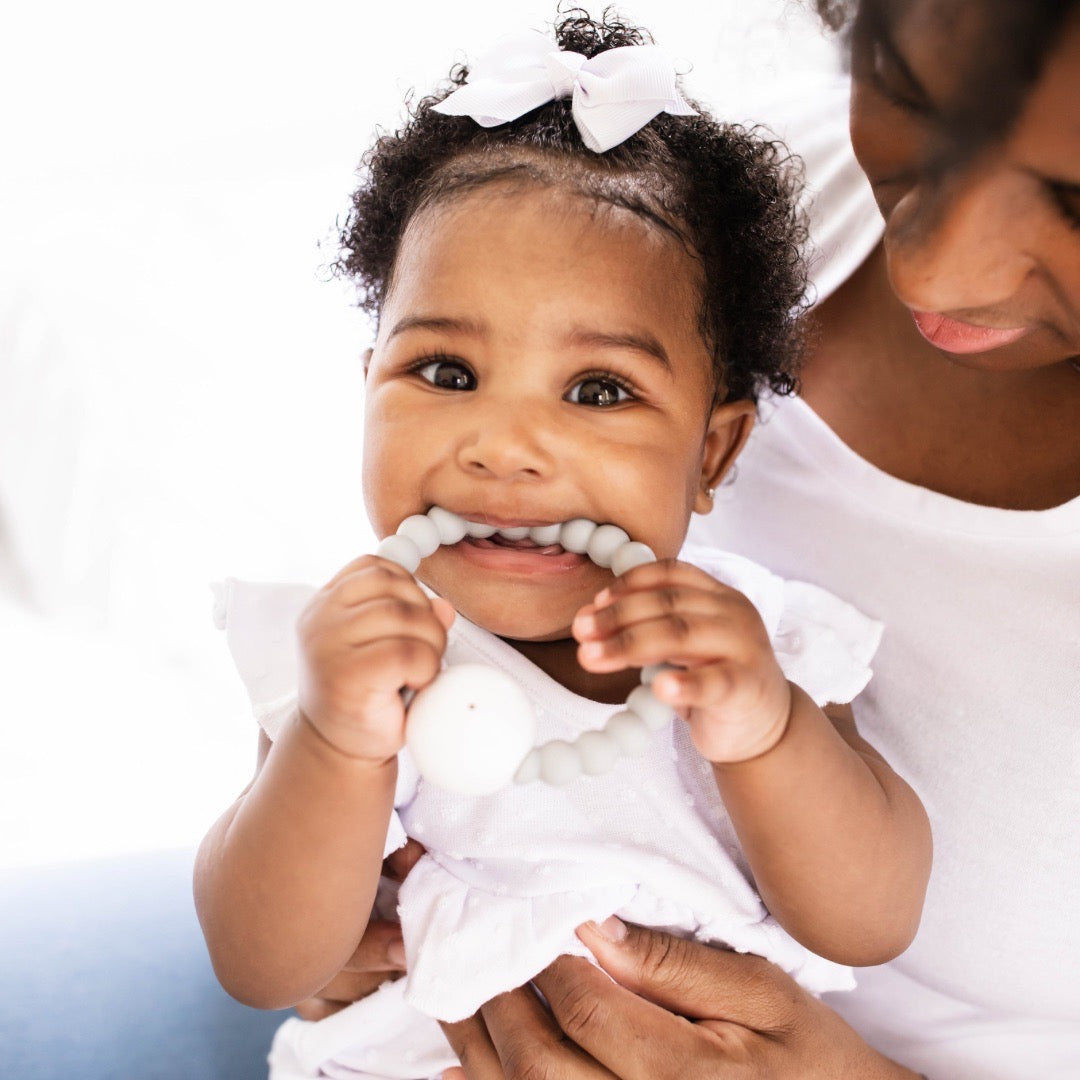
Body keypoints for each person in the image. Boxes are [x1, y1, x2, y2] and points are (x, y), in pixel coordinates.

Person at [193, 12, 933, 1080]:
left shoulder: (752, 646)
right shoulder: (361, 659)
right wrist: (335, 742)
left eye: (597, 390)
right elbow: (262, 963)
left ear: (714, 452)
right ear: (367, 388)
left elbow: (870, 922)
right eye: (446, 373)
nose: (504, 448)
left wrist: (766, 730)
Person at [414, 1, 1080, 1078]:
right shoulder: (701, 214)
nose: (930, 272)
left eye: (1076, 202)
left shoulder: (778, 651)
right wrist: (339, 891)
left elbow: (867, 916)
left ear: (716, 450)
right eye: (907, 90)